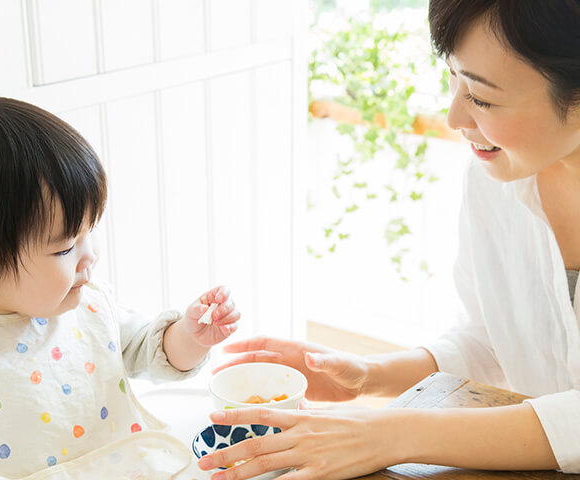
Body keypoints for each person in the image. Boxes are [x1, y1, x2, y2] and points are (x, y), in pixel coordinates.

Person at [197, 1, 580, 478]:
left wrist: (390, 434)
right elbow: (495, 338)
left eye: (481, 98)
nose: (454, 116)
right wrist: (367, 377)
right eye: (454, 79)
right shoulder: (496, 175)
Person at [0, 97, 240, 479]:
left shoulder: (90, 308)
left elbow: (149, 350)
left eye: (89, 232)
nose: (90, 256)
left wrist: (190, 336)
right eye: (65, 247)